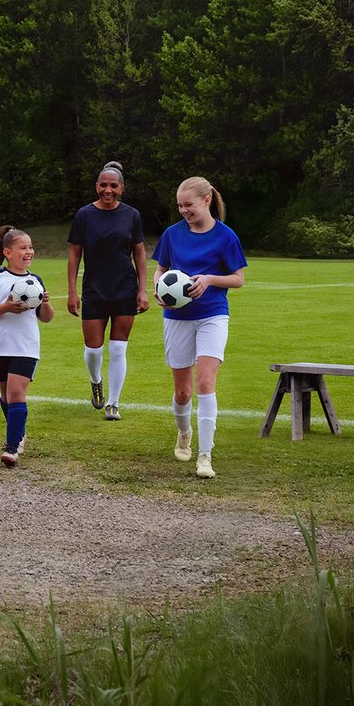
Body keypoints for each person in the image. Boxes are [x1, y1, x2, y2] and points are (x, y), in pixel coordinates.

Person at [150, 176, 248, 480]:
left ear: (206, 200)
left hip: (213, 315)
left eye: (188, 204)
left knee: (206, 383)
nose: (183, 210)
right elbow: (160, 270)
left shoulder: (226, 236)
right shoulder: (171, 234)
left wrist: (208, 279)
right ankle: (184, 433)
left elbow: (238, 278)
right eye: (180, 205)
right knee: (183, 392)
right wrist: (158, 289)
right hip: (177, 319)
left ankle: (205, 456)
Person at [66, 161, 149, 422]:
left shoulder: (132, 215)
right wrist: (71, 291)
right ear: (96, 186)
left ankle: (113, 403)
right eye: (103, 185)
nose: (108, 190)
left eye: (114, 186)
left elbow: (139, 252)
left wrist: (143, 290)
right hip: (94, 291)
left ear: (122, 188)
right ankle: (96, 380)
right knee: (93, 352)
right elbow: (74, 254)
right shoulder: (84, 215)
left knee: (118, 350)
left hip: (125, 289)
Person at [0, 226, 54, 468]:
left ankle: (11, 448)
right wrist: (6, 307)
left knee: (17, 394)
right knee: (6, 397)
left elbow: (46, 317)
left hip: (26, 346)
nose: (29, 251)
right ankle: (19, 433)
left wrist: (46, 304)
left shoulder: (35, 281)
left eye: (30, 247)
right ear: (8, 252)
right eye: (23, 247)